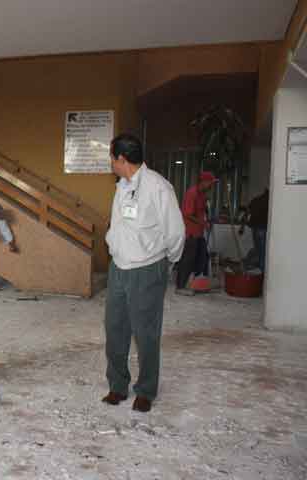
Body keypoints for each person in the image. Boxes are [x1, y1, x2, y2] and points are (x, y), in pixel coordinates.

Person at [102, 133, 185, 413]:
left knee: (146, 333)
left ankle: (146, 390)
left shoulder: (158, 187)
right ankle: (117, 385)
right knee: (115, 329)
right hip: (118, 268)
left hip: (147, 269)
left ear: (121, 159)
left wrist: (167, 262)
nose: (110, 162)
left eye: (112, 157)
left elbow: (175, 232)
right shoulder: (122, 186)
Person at [175, 171, 218, 295]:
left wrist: (207, 219)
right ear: (203, 182)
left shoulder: (202, 195)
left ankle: (198, 283)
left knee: (202, 258)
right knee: (187, 259)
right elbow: (187, 214)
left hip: (198, 232)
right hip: (190, 232)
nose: (212, 186)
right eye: (210, 183)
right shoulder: (192, 193)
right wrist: (203, 223)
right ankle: (180, 287)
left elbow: (201, 212)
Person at [247, 188, 269, 272]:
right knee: (263, 252)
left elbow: (247, 211)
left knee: (258, 250)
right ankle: (262, 272)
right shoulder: (269, 201)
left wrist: (242, 226)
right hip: (263, 228)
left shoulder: (256, 199)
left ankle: (259, 270)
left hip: (255, 228)